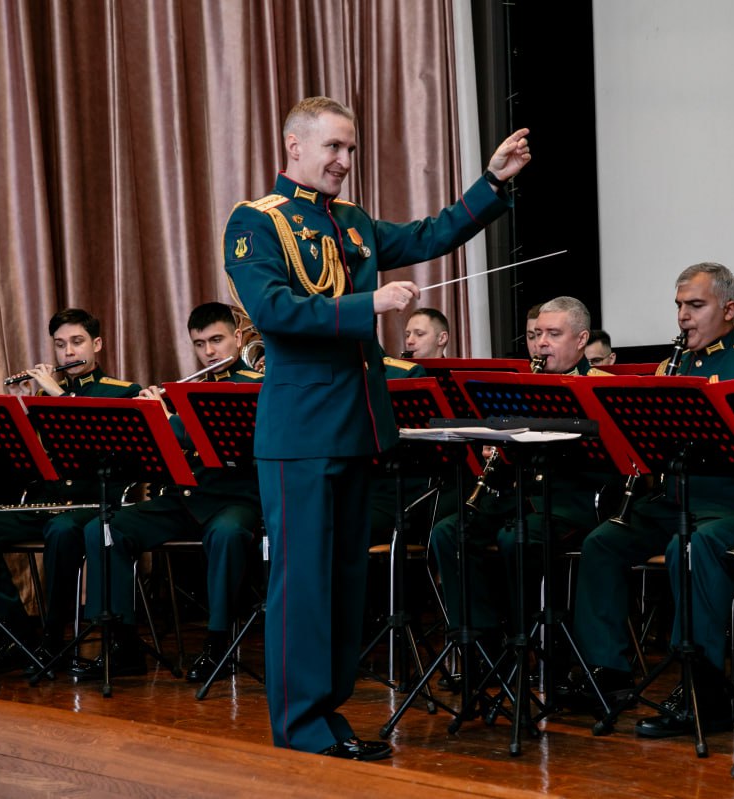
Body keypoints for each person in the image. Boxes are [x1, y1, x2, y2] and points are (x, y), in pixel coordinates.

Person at [222, 95, 529, 762]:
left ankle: (326, 714)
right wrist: (370, 302)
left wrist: (492, 181)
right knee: (302, 585)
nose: (344, 160)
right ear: (294, 146)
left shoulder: (354, 221)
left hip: (356, 428)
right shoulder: (255, 220)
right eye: (333, 147)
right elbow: (274, 311)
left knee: (343, 585)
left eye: (350, 149)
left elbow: (427, 236)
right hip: (300, 434)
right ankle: (298, 726)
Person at [566, 262, 734, 736]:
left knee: (687, 548)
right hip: (674, 501)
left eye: (696, 305)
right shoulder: (671, 365)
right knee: (603, 542)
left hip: (729, 504)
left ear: (729, 310)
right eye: (680, 305)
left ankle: (700, 688)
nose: (684, 315)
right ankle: (608, 673)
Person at [72, 302, 264, 683]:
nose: (209, 352)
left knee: (227, 535)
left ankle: (219, 645)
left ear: (238, 337)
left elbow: (205, 437)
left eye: (217, 340)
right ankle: (123, 644)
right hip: (186, 498)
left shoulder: (255, 385)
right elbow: (162, 453)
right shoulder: (188, 389)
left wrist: (167, 418)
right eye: (200, 344)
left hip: (237, 499)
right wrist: (147, 418)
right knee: (105, 529)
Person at [0, 308, 141, 675]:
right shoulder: (42, 396)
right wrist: (19, 408)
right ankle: (18, 633)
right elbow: (22, 464)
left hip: (93, 504)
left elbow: (99, 451)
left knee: (63, 530)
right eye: (60, 344)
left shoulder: (121, 392)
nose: (68, 352)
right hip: (44, 502)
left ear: (97, 344)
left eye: (77, 342)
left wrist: (57, 396)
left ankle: (54, 638)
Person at [429, 296, 612, 659]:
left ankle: (531, 641)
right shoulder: (519, 385)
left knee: (517, 538)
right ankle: (480, 644)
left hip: (572, 502)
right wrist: (497, 446)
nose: (541, 343)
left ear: (581, 339)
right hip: (520, 497)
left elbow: (612, 463)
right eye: (537, 334)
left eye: (553, 334)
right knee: (449, 532)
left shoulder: (600, 386)